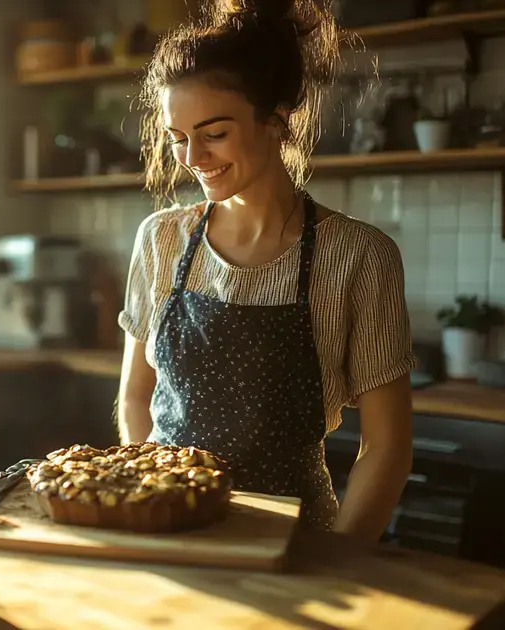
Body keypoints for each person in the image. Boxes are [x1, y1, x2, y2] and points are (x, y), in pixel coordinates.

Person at [117, 0, 415, 542]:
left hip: (297, 543)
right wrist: (150, 506)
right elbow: (137, 396)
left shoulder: (359, 256)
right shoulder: (160, 240)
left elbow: (388, 447)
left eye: (213, 133)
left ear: (276, 118)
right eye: (178, 137)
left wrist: (338, 562)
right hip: (170, 534)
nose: (191, 157)